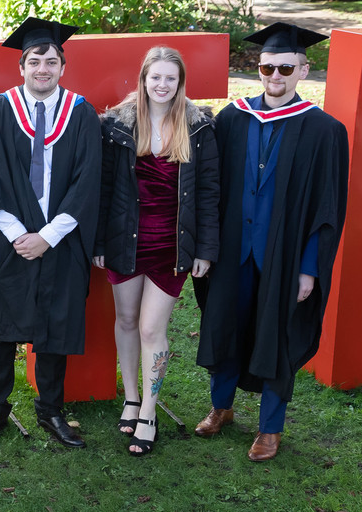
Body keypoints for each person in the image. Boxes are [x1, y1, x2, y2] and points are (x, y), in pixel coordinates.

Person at [194, 23, 348, 462]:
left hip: (284, 257)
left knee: (278, 334)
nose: (275, 76)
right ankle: (221, 406)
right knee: (225, 324)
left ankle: (270, 428)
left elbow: (327, 209)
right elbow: (209, 188)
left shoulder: (323, 131)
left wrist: (309, 267)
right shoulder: (232, 119)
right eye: (266, 67)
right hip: (233, 251)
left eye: (285, 67)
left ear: (303, 69)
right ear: (257, 69)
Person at [0, 17, 101, 449]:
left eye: (51, 62)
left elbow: (88, 182)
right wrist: (20, 235)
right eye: (35, 61)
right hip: (9, 240)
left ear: (62, 67)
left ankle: (51, 410)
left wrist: (49, 235)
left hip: (61, 239)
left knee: (55, 324)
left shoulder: (81, 113)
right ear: (22, 66)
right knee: (0, 329)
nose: (42, 69)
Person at [93, 47, 220, 456]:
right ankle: (131, 396)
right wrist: (98, 242)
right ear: (143, 79)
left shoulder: (199, 127)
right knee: (127, 320)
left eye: (171, 78)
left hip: (172, 243)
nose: (162, 85)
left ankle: (148, 411)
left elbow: (208, 193)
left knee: (152, 328)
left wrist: (205, 247)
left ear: (181, 83)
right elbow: (104, 189)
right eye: (155, 77)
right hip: (125, 239)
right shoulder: (117, 124)